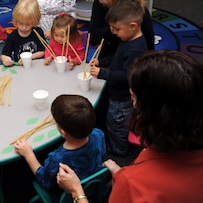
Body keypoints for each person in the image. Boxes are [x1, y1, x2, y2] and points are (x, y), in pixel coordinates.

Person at [57, 50, 203, 203]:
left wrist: (77, 191)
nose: (133, 105)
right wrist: (120, 172)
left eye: (133, 98)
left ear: (152, 113)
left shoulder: (133, 185)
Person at [89, 0, 154, 132]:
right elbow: (93, 37)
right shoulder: (100, 3)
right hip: (109, 57)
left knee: (119, 109)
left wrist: (118, 27)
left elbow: (149, 53)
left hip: (127, 68)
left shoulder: (140, 14)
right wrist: (114, 27)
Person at [14, 94, 106, 203]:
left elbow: (45, 181)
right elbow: (103, 154)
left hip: (66, 197)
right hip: (94, 185)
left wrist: (28, 154)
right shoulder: (99, 134)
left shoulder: (58, 159)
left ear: (63, 132)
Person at [90, 0, 148, 156]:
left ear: (133, 26)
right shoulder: (127, 39)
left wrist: (103, 74)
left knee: (116, 124)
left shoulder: (135, 49)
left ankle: (118, 150)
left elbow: (128, 75)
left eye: (116, 29)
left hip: (122, 98)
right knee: (113, 122)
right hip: (117, 94)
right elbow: (117, 58)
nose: (113, 32)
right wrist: (102, 61)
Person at [89, 0, 154, 58]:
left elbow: (149, 50)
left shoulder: (141, 13)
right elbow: (92, 38)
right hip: (106, 58)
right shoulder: (100, 3)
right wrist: (114, 28)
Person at [0, 0, 46, 67]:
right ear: (16, 20)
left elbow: (43, 51)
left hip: (38, 65)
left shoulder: (38, 32)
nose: (24, 27)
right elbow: (4, 54)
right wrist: (5, 59)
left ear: (34, 22)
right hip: (20, 67)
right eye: (21, 23)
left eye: (28, 24)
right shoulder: (12, 36)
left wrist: (30, 57)